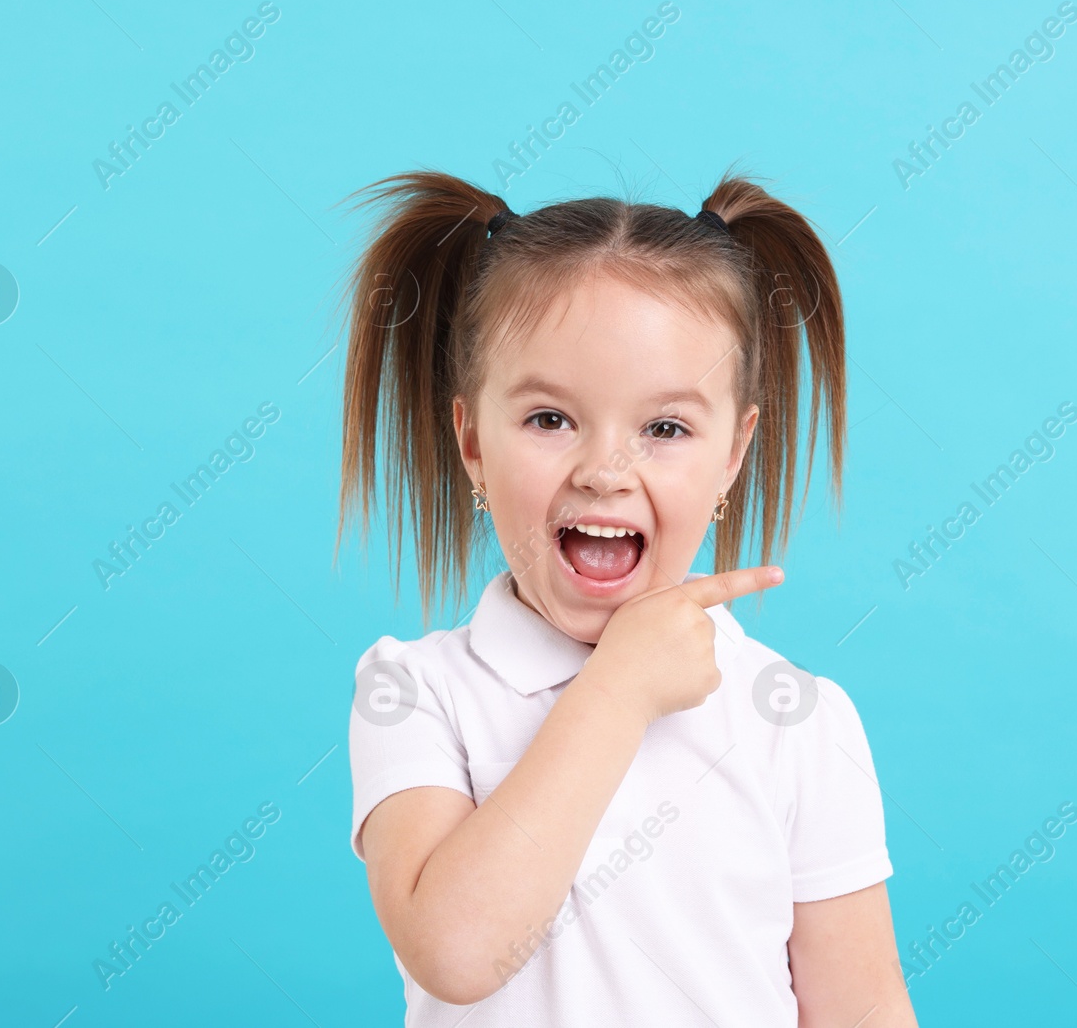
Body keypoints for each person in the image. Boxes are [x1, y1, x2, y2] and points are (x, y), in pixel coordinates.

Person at [337, 167, 918, 1026]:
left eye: (665, 428)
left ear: (732, 455)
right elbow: (456, 952)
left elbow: (862, 1008)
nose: (606, 470)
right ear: (471, 443)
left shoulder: (795, 718)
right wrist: (617, 688)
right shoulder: (416, 693)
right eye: (549, 419)